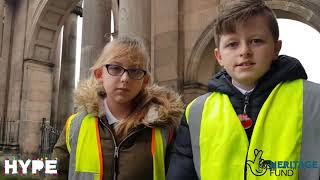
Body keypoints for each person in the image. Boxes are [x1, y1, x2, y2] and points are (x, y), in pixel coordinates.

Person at [166, 0, 320, 179]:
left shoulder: (314, 101)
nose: (244, 51)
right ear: (219, 56)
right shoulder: (196, 111)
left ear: (276, 48)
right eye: (232, 44)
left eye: (256, 41)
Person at [50, 36, 184, 180]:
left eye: (135, 71)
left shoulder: (165, 128)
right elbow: (54, 172)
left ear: (145, 81)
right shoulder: (75, 125)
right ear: (99, 74)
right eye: (115, 68)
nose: (125, 78)